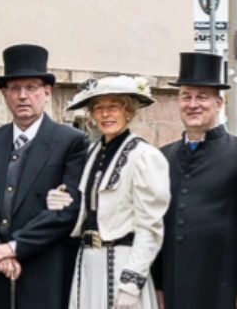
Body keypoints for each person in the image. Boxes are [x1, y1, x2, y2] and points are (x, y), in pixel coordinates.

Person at [0, 44, 90, 309]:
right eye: (15, 88)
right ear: (5, 94)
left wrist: (16, 247)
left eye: (31, 87)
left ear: (47, 92)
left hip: (45, 269)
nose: (22, 96)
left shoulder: (72, 142)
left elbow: (68, 211)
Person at [155, 52, 237, 309]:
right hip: (176, 285)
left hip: (224, 284)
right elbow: (157, 223)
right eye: (186, 97)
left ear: (218, 104)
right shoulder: (164, 155)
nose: (193, 104)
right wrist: (158, 285)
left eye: (202, 97)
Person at [51, 75, 169, 309]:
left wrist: (132, 282)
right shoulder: (93, 152)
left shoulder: (145, 157)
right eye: (98, 108)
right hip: (88, 263)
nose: (105, 115)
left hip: (122, 264)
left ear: (128, 111)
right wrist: (63, 201)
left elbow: (150, 226)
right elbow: (91, 207)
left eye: (113, 107)